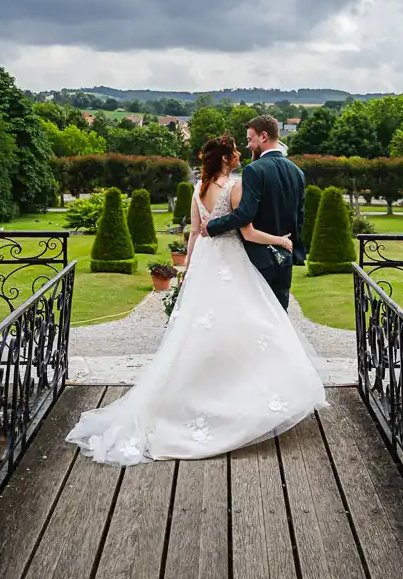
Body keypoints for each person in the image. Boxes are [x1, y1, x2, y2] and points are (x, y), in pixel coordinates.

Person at [65, 133, 328, 466]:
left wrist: (187, 269)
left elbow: (192, 233)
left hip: (206, 260)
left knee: (200, 329)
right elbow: (246, 232)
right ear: (225, 159)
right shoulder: (235, 187)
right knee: (250, 323)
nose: (238, 155)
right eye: (234, 153)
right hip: (231, 259)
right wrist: (281, 240)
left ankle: (202, 390)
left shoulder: (197, 190)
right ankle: (238, 390)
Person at [203, 115, 307, 309]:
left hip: (259, 259)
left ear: (264, 137)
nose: (249, 145)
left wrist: (211, 226)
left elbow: (244, 214)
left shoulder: (254, 170)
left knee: (259, 316)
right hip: (285, 258)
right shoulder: (297, 172)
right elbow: (299, 218)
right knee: (279, 319)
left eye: (251, 139)